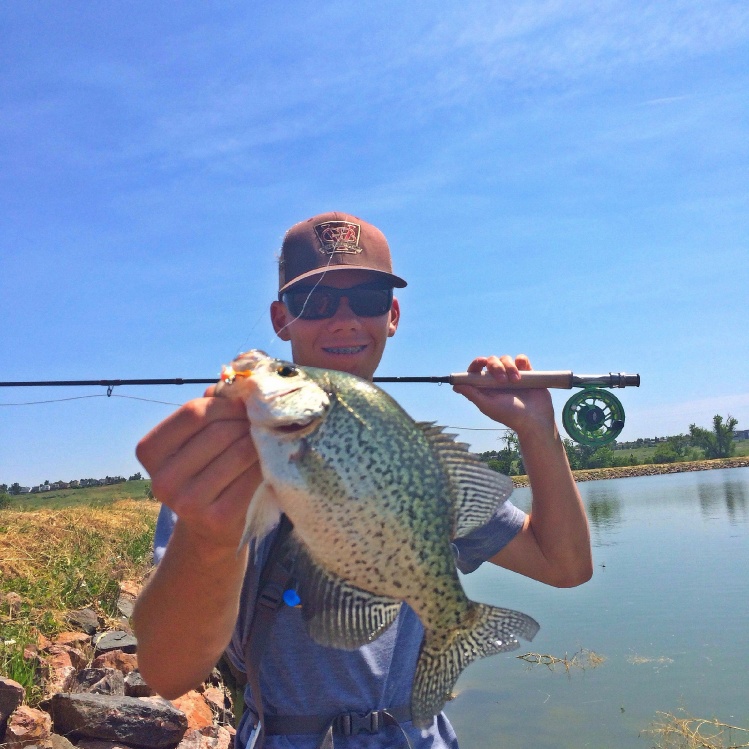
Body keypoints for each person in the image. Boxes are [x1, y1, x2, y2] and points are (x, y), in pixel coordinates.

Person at [132, 211, 592, 749]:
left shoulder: (415, 459)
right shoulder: (233, 463)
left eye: (368, 300)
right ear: (282, 320)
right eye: (316, 303)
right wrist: (209, 537)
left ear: (392, 315)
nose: (345, 320)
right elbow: (169, 674)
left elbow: (565, 565)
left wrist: (538, 429)